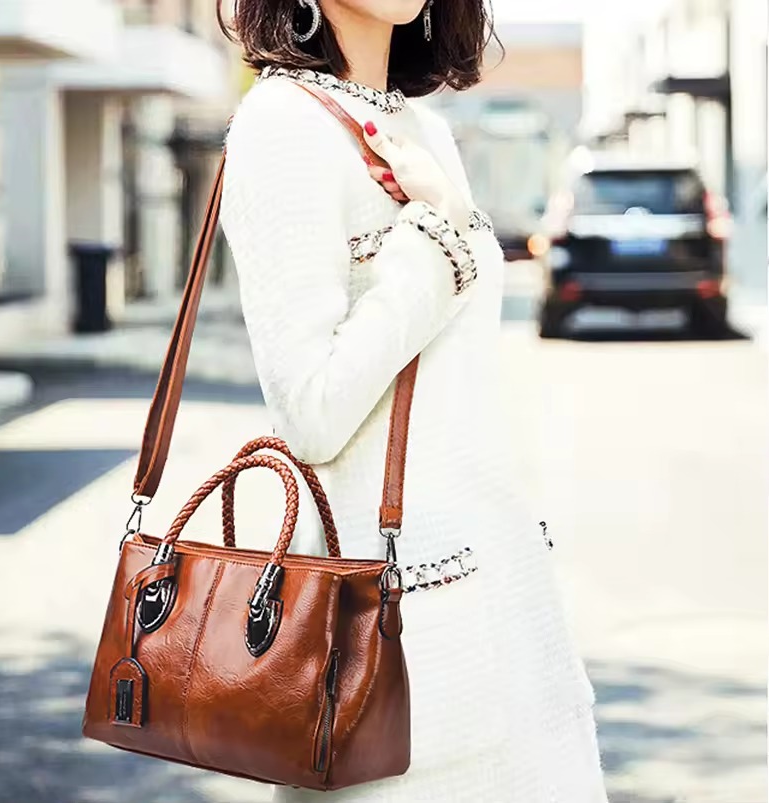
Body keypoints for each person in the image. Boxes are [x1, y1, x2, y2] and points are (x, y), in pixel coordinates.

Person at [217, 1, 609, 801]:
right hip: (394, 641)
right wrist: (437, 237)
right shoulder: (280, 126)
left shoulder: (422, 126)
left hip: (508, 611)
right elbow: (311, 409)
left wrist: (444, 222)